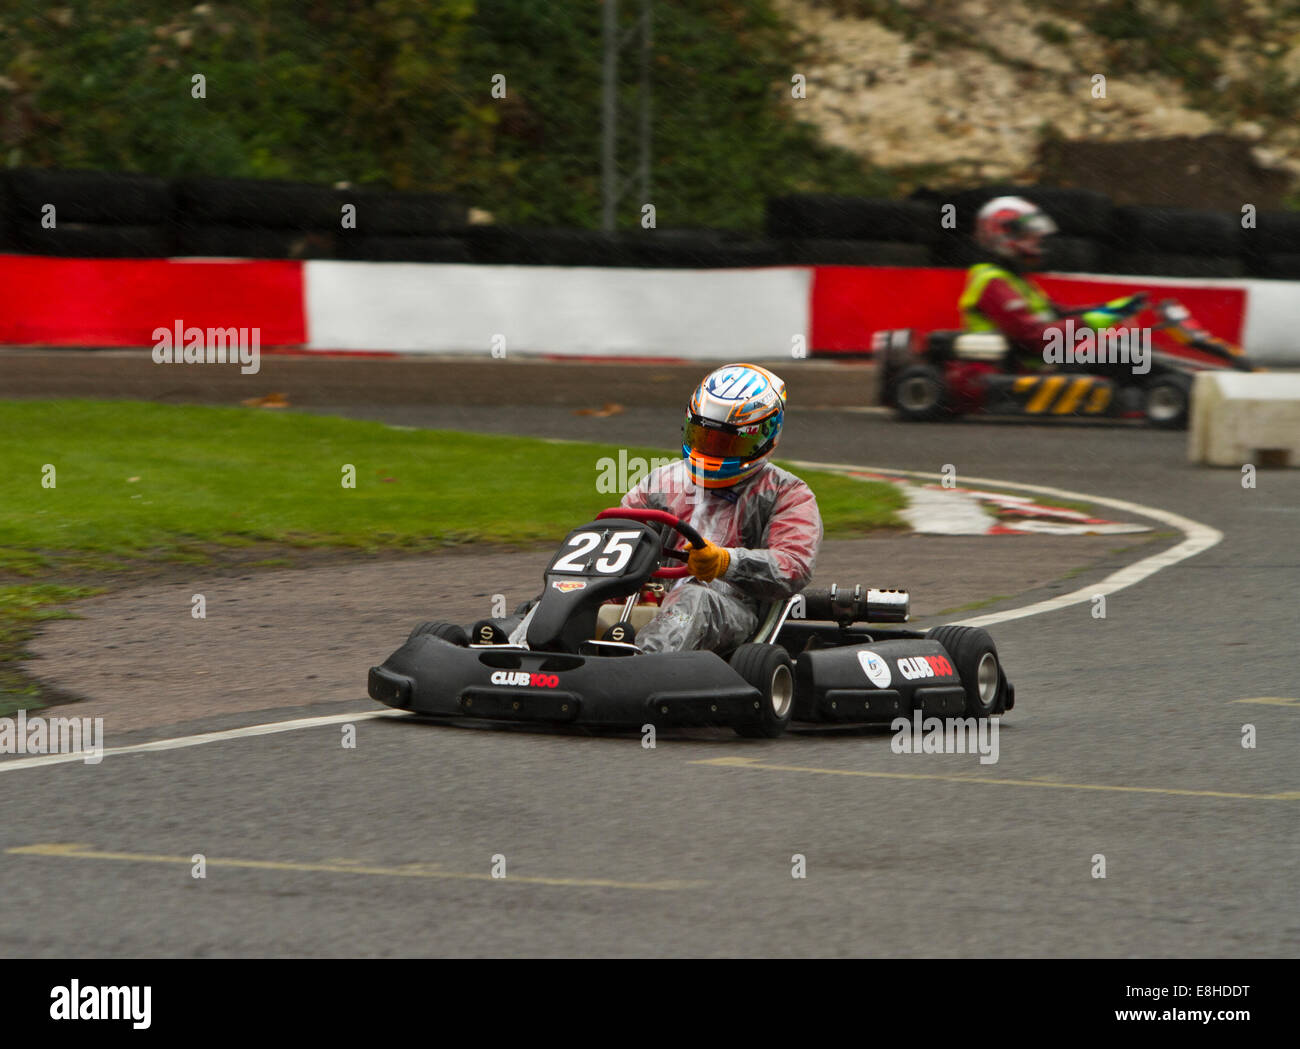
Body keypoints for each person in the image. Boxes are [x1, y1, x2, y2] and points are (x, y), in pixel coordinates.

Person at [619, 362, 823, 653]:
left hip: (731, 612)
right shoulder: (662, 481)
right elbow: (623, 537)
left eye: (727, 443)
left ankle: (639, 668)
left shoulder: (787, 493)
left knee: (694, 599)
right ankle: (533, 653)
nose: (712, 452)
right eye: (704, 438)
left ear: (764, 436)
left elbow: (793, 566)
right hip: (650, 601)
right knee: (574, 589)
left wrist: (726, 563)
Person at [959, 195, 1147, 370]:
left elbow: (1055, 314)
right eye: (1029, 234)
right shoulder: (992, 282)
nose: (1037, 241)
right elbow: (1034, 339)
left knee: (1130, 355)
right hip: (1012, 374)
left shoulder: (1013, 278)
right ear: (1004, 233)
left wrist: (1110, 309)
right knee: (1121, 370)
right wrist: (1091, 321)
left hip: (1037, 367)